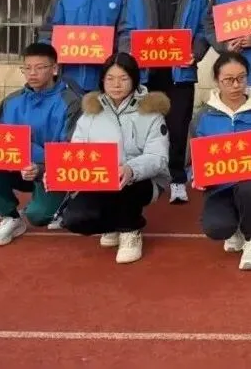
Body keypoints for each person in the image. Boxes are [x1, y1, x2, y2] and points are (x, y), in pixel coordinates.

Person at [0, 43, 82, 246]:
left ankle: (68, 202)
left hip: (52, 172)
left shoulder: (72, 102)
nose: (32, 73)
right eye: (27, 68)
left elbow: (71, 151)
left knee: (39, 216)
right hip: (18, 167)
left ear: (54, 69)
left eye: (40, 67)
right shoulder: (11, 102)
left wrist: (39, 166)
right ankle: (10, 218)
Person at [117, 0, 209, 205]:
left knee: (178, 126)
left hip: (180, 73)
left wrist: (195, 53)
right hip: (145, 73)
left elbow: (204, 30)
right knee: (142, 128)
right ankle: (145, 175)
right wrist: (131, 53)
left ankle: (177, 179)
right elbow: (126, 30)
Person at [61, 53, 171, 264]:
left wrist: (130, 169)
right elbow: (76, 151)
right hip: (99, 179)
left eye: (123, 78)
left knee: (126, 184)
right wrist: (61, 174)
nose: (116, 85)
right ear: (102, 80)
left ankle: (130, 230)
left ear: (134, 79)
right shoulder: (90, 113)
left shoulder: (151, 113)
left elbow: (158, 157)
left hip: (140, 181)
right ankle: (112, 225)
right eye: (110, 78)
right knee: (75, 219)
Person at [189, 52, 251, 271]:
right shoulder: (203, 117)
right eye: (228, 80)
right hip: (219, 187)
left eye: (241, 78)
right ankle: (236, 227)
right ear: (217, 80)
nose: (235, 85)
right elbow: (191, 160)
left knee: (249, 187)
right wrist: (194, 175)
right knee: (216, 228)